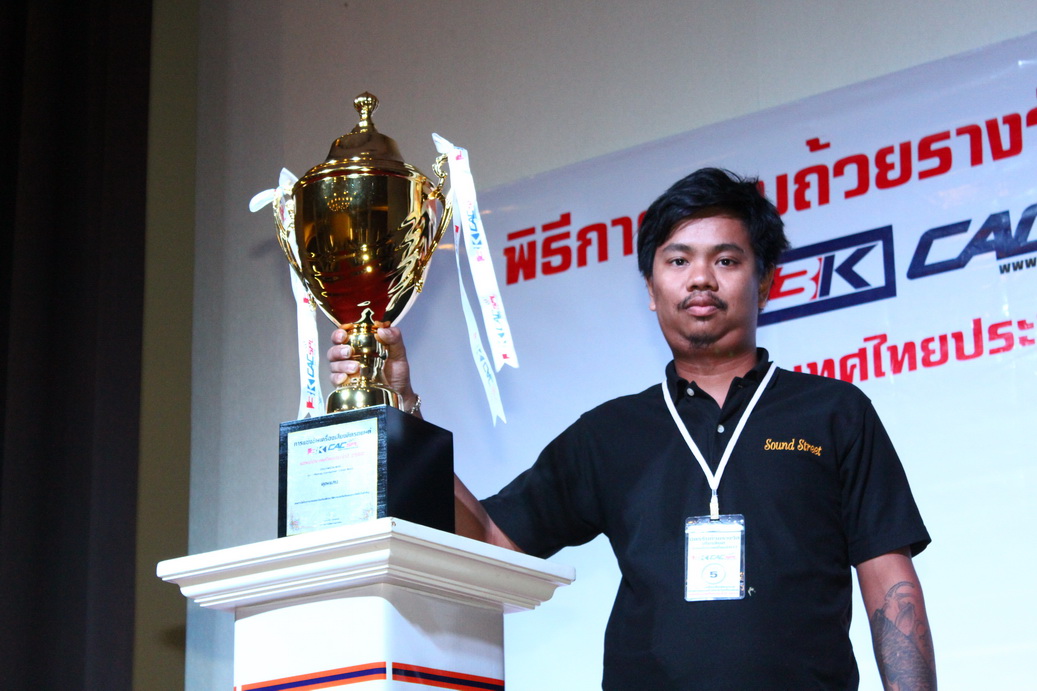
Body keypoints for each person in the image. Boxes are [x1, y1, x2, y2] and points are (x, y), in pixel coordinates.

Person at [328, 168, 936, 690]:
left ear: (766, 282)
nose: (701, 279)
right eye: (678, 260)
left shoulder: (834, 412)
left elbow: (889, 580)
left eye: (726, 260)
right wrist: (400, 407)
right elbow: (489, 538)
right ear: (651, 289)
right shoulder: (611, 433)